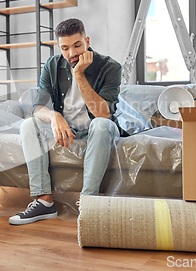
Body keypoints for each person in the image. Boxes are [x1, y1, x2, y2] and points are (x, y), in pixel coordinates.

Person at [9, 18, 128, 225]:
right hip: (68, 130)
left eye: (77, 46)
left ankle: (88, 201)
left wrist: (79, 74)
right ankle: (44, 202)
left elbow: (103, 114)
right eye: (65, 48)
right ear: (59, 47)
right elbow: (38, 108)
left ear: (87, 40)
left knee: (101, 124)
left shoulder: (110, 67)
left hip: (97, 129)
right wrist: (54, 116)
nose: (72, 54)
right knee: (29, 124)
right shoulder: (52, 65)